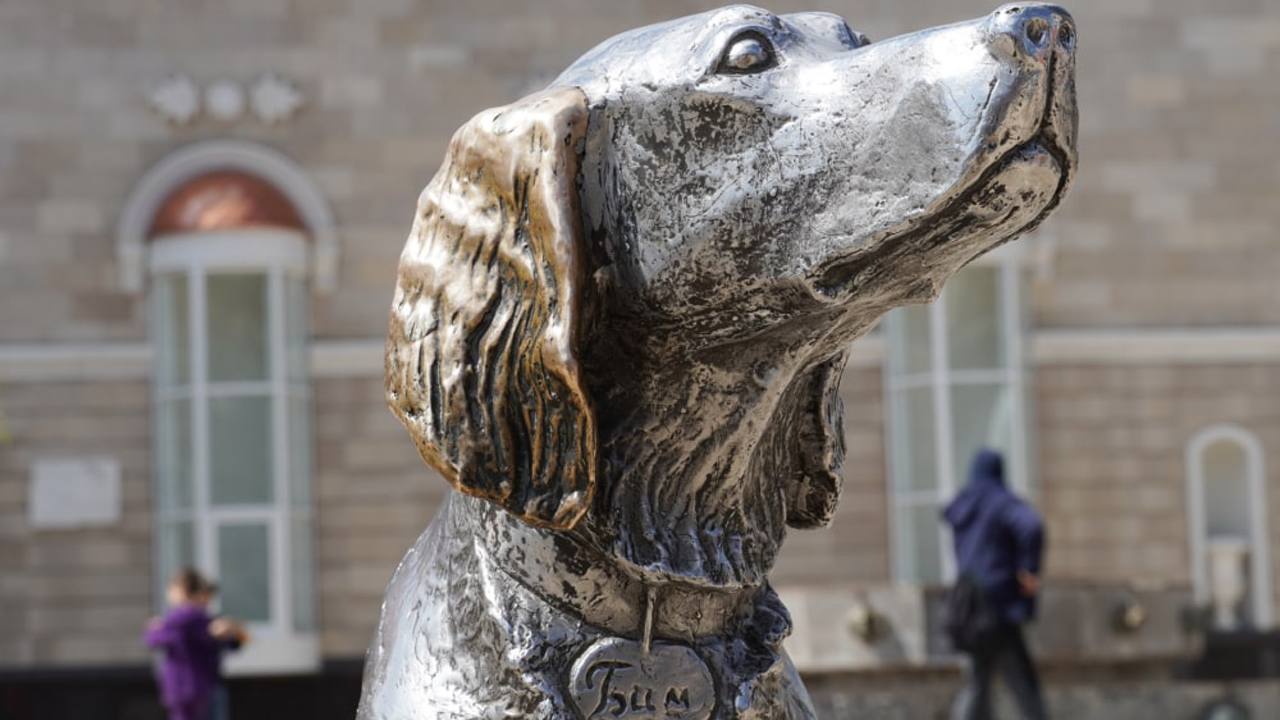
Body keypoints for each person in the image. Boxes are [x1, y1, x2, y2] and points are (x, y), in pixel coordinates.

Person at [943, 449, 1047, 720]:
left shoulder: (964, 503)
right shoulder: (1001, 502)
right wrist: (1029, 569)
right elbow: (1032, 526)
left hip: (967, 601)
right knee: (1021, 679)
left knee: (979, 677)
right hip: (998, 603)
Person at [144, 568, 248, 720]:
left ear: (182, 591)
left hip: (186, 686)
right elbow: (235, 642)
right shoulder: (200, 620)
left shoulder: (184, 619)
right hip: (198, 685)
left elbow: (152, 639)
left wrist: (156, 629)